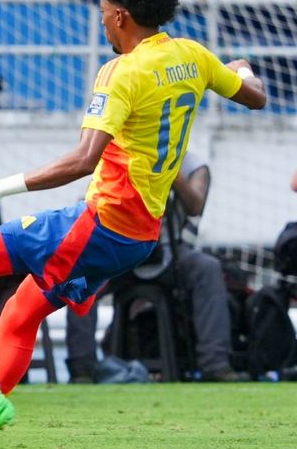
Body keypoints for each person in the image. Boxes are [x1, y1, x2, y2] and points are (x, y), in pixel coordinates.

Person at [0, 0, 266, 449]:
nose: (100, 14)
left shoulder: (120, 72)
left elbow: (81, 160)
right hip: (137, 237)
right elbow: (256, 96)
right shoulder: (194, 57)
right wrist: (242, 67)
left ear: (120, 15)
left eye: (103, 5)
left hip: (100, 223)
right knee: (21, 314)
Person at [66, 148, 248, 383]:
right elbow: (88, 202)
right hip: (120, 249)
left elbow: (195, 206)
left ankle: (215, 364)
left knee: (208, 268)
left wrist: (172, 173)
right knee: (80, 274)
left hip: (171, 253)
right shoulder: (120, 151)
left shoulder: (194, 165)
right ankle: (82, 369)